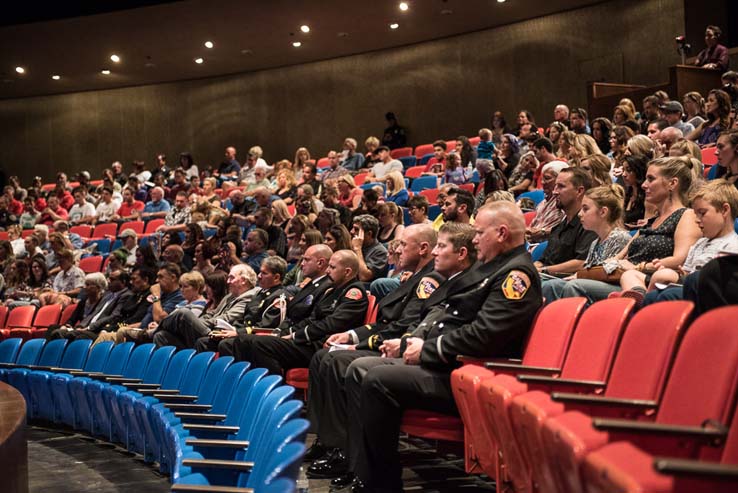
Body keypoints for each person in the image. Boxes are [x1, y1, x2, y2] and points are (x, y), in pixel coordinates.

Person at [340, 201, 542, 492]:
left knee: (377, 378)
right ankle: (367, 475)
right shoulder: (493, 268)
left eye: (479, 232)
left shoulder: (515, 275)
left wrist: (426, 350)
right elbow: (449, 319)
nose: (474, 239)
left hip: (471, 372)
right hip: (453, 362)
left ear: (501, 233)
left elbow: (486, 335)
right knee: (360, 367)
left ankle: (381, 483)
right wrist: (413, 342)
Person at [303, 224, 442, 476]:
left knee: (337, 360)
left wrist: (357, 344)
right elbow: (386, 322)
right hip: (389, 340)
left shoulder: (428, 280)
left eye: (402, 245)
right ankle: (328, 440)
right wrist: (351, 334)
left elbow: (403, 327)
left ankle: (345, 450)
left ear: (423, 249)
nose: (397, 250)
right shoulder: (414, 277)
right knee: (323, 356)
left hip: (397, 347)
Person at [555, 157, 702, 303]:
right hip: (622, 278)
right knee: (555, 285)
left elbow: (680, 260)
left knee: (575, 287)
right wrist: (584, 274)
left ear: (672, 183)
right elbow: (617, 258)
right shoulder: (651, 222)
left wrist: (639, 266)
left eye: (651, 179)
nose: (644, 185)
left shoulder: (686, 215)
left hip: (650, 282)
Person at [232, 250, 369, 375]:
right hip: (308, 340)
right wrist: (289, 332)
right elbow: (312, 318)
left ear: (347, 272)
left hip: (320, 345)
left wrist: (295, 335)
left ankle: (275, 390)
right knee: (244, 340)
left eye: (332, 267)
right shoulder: (333, 290)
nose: (327, 271)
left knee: (259, 344)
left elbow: (331, 324)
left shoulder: (354, 292)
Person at [627, 180, 738, 306]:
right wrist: (679, 273)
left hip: (707, 296)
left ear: (724, 210)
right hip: (687, 286)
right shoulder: (700, 243)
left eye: (702, 213)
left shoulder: (732, 246)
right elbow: (686, 271)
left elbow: (721, 285)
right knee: (653, 293)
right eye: (696, 214)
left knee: (667, 294)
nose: (696, 220)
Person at [542, 185, 632, 302]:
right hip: (590, 282)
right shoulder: (595, 242)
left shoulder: (619, 237)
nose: (580, 214)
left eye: (585, 209)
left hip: (613, 286)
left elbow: (607, 273)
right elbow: (587, 270)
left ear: (603, 212)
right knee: (548, 285)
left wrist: (578, 276)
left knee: (572, 286)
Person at [149, 264, 255, 349]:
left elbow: (227, 318)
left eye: (231, 278)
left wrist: (196, 322)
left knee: (183, 313)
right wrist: (196, 322)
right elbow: (212, 313)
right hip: (208, 329)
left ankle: (148, 334)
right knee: (161, 336)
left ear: (243, 280)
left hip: (220, 334)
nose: (228, 282)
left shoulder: (250, 296)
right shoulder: (230, 296)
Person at [193, 257, 286, 354]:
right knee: (202, 342)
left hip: (256, 339)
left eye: (264, 273)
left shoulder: (279, 297)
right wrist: (230, 330)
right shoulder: (260, 294)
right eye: (260, 272)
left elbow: (266, 326)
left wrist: (237, 332)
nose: (259, 276)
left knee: (225, 344)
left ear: (276, 277)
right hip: (245, 333)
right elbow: (246, 318)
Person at [535, 167, 599, 274]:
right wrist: (530, 269)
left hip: (565, 282)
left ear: (579, 191)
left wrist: (543, 270)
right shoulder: (559, 226)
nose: (554, 192)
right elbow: (543, 260)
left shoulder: (589, 225)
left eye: (561, 186)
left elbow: (581, 263)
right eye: (555, 186)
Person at [350, 214, 388, 282]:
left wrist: (357, 249)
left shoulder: (381, 252)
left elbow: (364, 276)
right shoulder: (354, 244)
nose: (351, 232)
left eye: (356, 229)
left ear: (369, 234)